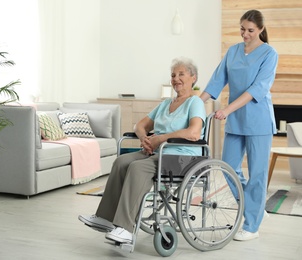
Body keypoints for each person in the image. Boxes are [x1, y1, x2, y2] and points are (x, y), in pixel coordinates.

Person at [79, 57, 206, 244]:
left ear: (193, 78)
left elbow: (194, 132)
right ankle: (106, 218)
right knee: (121, 162)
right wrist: (145, 139)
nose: (176, 78)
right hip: (158, 152)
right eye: (173, 75)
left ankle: (126, 229)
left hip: (180, 156)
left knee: (138, 168)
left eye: (181, 74)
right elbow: (141, 125)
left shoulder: (194, 102)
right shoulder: (165, 104)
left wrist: (160, 138)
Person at [200, 10, 278, 241]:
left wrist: (226, 109)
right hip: (235, 119)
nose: (245, 34)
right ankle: (254, 204)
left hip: (258, 120)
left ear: (261, 30)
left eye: (250, 30)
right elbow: (216, 80)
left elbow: (258, 89)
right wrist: (194, 102)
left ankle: (252, 225)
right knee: (228, 167)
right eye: (242, 29)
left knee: (257, 174)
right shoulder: (233, 51)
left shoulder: (269, 53)